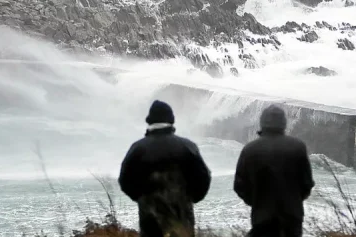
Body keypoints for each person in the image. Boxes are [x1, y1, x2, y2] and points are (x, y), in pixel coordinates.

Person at [118, 100, 212, 237]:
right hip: (182, 217)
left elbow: (125, 180)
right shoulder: (187, 146)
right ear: (171, 120)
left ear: (149, 121)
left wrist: (142, 198)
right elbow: (204, 178)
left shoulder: (138, 149)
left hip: (150, 220)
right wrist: (190, 199)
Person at [233, 104, 315, 237]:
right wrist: (293, 200)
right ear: (284, 123)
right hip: (292, 217)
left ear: (262, 122)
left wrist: (256, 202)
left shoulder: (250, 149)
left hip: (262, 218)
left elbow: (239, 186)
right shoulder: (298, 147)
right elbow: (307, 184)